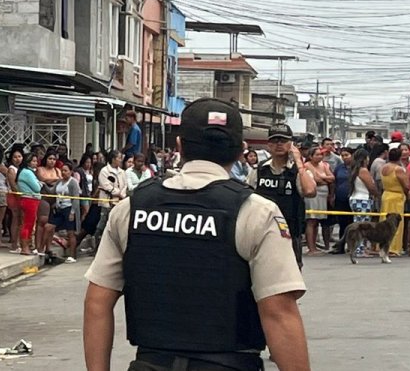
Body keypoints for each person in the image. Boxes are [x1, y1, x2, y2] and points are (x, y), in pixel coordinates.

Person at [84, 98, 311, 371]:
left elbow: (97, 303)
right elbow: (280, 314)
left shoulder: (131, 208)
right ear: (241, 152)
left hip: (151, 363)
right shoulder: (256, 212)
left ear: (179, 146)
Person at [248, 123, 316, 268]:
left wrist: (298, 161)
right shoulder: (259, 170)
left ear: (291, 144)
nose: (279, 144)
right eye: (274, 140)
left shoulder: (298, 171)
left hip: (290, 233)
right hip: (263, 233)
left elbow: (310, 191)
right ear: (268, 145)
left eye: (283, 141)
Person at [379, 146, 410, 257]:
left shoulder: (384, 167)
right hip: (396, 196)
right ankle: (393, 248)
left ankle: (382, 247)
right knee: (396, 223)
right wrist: (408, 194)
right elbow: (406, 185)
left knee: (384, 222)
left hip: (386, 194)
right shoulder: (398, 169)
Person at [346, 148, 379, 257]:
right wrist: (376, 193)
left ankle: (360, 248)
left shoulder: (355, 170)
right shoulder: (363, 170)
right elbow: (371, 187)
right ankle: (359, 250)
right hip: (363, 199)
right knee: (363, 226)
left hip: (356, 198)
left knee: (359, 224)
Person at [47, 161, 81, 263]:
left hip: (69, 208)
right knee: (49, 227)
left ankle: (72, 255)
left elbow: (76, 198)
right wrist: (43, 185)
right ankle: (47, 249)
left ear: (71, 172)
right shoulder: (59, 182)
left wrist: (72, 212)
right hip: (59, 208)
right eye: (62, 171)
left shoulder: (73, 182)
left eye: (66, 171)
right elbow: (52, 191)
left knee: (70, 233)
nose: (63, 173)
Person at [302, 147, 334, 256]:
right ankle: (311, 248)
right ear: (310, 156)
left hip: (323, 194)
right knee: (311, 220)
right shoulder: (306, 166)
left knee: (317, 221)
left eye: (321, 154)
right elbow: (315, 179)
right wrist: (323, 178)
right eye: (317, 154)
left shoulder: (324, 165)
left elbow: (332, 178)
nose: (320, 156)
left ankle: (314, 246)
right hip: (312, 194)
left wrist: (323, 178)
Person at [35, 153, 64, 255]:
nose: (52, 161)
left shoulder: (57, 170)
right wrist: (55, 180)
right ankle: (38, 246)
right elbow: (42, 179)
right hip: (44, 196)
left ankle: (48, 247)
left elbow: (62, 180)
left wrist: (52, 180)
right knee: (42, 221)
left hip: (55, 198)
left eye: (54, 159)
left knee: (52, 224)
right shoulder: (40, 169)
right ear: (45, 159)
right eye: (50, 158)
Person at [16, 154, 43, 256]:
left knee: (27, 224)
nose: (35, 163)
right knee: (28, 224)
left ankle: (26, 246)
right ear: (28, 162)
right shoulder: (27, 173)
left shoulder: (26, 172)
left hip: (28, 200)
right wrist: (39, 183)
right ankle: (25, 247)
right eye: (33, 161)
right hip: (30, 200)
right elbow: (37, 188)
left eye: (36, 161)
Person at [3, 147, 25, 254]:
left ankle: (18, 243)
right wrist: (20, 196)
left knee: (20, 220)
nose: (17, 159)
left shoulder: (21, 169)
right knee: (16, 219)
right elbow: (13, 185)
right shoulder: (12, 169)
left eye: (19, 156)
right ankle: (14, 244)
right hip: (14, 196)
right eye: (15, 157)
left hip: (19, 195)